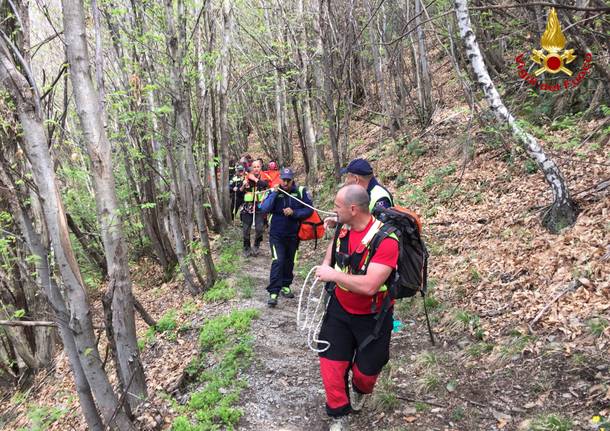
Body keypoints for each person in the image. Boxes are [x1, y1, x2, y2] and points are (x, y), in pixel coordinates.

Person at [314, 184, 399, 431]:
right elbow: (333, 253)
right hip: (339, 309)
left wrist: (333, 276)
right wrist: (325, 268)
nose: (333, 211)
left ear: (353, 209)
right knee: (330, 363)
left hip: (373, 317)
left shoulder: (386, 240)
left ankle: (360, 389)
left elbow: (371, 285)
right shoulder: (343, 227)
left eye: (337, 207)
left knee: (366, 373)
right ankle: (339, 414)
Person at [259, 168, 313, 307]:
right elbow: (264, 209)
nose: (286, 182)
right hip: (276, 235)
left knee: (289, 261)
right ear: (280, 179)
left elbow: (309, 209)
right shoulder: (274, 192)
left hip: (294, 235)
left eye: (288, 180)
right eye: (284, 179)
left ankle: (286, 285)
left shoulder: (300, 192)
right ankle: (273, 292)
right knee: (278, 261)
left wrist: (294, 212)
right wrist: (274, 194)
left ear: (292, 180)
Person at [324, 158, 393, 230]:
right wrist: (338, 221)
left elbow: (382, 230)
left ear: (356, 179)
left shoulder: (380, 197)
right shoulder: (359, 194)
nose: (346, 181)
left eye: (347, 177)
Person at [239, 159, 269, 256]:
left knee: (259, 229)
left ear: (261, 167)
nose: (256, 169)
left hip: (259, 206)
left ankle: (256, 245)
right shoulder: (246, 177)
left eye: (258, 167)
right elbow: (240, 191)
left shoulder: (264, 177)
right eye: (254, 167)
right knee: (246, 229)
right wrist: (243, 186)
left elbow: (265, 185)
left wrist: (255, 179)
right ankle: (246, 248)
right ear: (252, 168)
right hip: (248, 207)